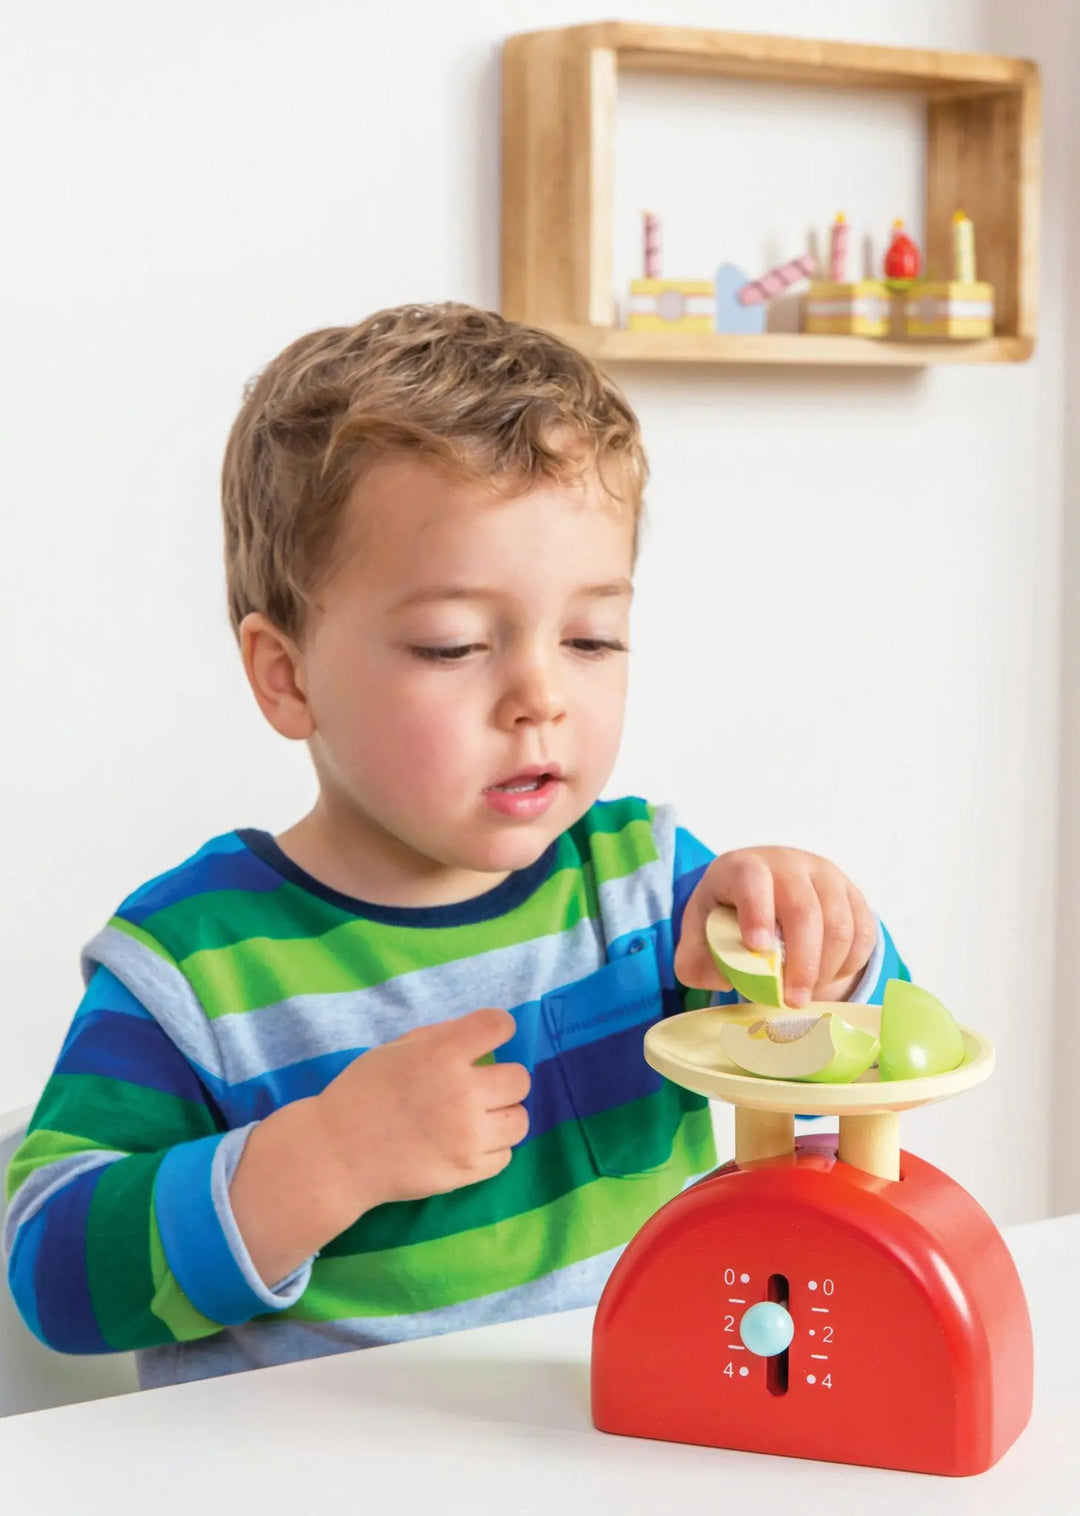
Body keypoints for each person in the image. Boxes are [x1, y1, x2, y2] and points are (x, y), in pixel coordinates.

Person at [4, 303, 906, 1387]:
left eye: (591, 638)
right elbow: (50, 1274)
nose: (541, 697)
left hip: (628, 1446)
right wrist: (321, 1160)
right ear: (286, 676)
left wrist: (821, 941)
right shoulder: (196, 961)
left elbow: (852, 1088)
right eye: (455, 645)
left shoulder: (648, 892)